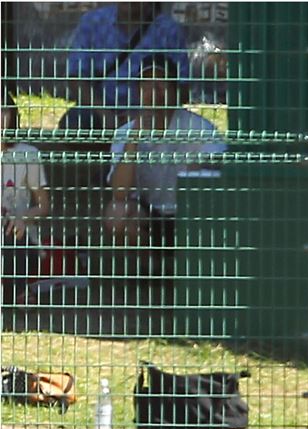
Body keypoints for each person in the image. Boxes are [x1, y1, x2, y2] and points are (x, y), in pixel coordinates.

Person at [103, 53, 226, 249]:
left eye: (161, 85)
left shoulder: (197, 127)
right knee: (116, 214)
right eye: (147, 86)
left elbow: (220, 166)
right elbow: (119, 192)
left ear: (174, 90)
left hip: (190, 215)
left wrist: (199, 167)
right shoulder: (125, 132)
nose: (154, 92)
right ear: (138, 91)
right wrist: (134, 139)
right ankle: (150, 271)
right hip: (148, 214)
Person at [61, 2, 188, 134]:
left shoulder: (169, 30)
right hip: (100, 111)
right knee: (74, 122)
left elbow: (183, 88)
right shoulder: (92, 22)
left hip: (152, 114)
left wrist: (142, 116)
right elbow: (76, 77)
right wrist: (105, 115)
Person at [1, 103, 50, 308]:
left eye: (3, 110)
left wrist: (23, 218)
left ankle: (18, 290)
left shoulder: (27, 153)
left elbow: (44, 206)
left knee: (12, 228)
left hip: (17, 238)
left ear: (12, 115)